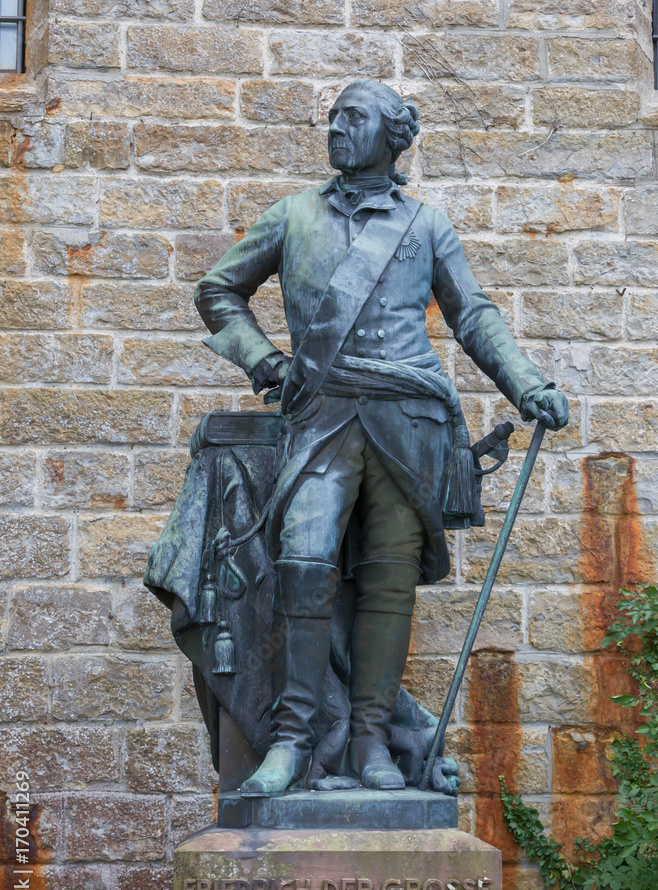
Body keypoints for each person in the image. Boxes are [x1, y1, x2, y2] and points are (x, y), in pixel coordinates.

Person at [194, 79, 568, 797]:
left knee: (389, 582)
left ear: (392, 136)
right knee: (301, 564)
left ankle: (369, 741)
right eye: (332, 117)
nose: (335, 127)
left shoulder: (426, 226)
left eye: (353, 117)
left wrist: (526, 385)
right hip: (323, 417)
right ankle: (293, 741)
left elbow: (474, 315)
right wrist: (265, 360)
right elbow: (217, 290)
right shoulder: (293, 215)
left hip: (408, 421)